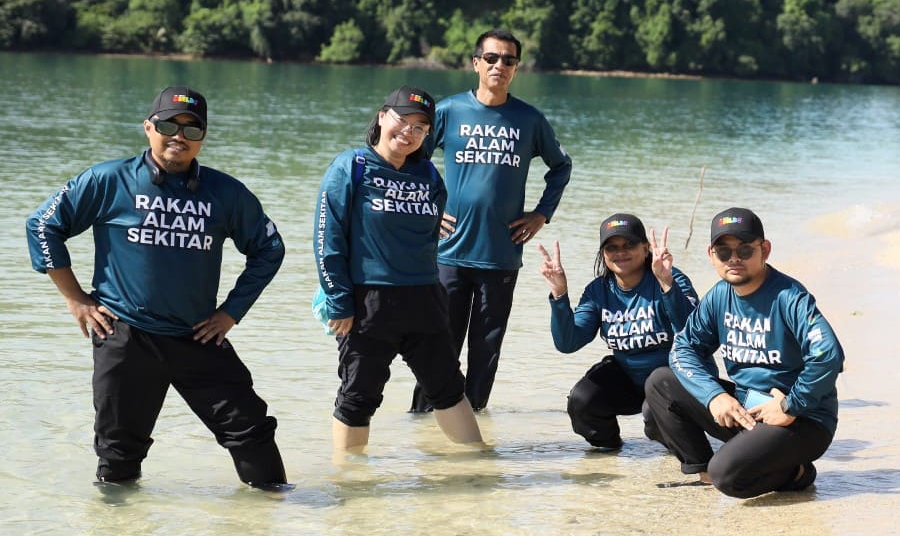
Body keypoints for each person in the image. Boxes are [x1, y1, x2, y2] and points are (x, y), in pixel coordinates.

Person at [25, 86, 290, 490]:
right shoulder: (107, 180)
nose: (178, 137)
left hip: (197, 336)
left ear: (203, 137)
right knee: (118, 457)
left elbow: (269, 248)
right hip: (126, 337)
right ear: (149, 127)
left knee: (251, 432)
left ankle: (276, 525)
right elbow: (43, 225)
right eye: (168, 125)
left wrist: (231, 312)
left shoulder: (226, 193)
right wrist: (76, 299)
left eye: (191, 129)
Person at [409, 28, 572, 414]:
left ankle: (473, 421)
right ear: (476, 63)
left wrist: (541, 213)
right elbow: (412, 163)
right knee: (438, 345)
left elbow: (561, 166)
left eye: (509, 60)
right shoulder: (449, 111)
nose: (500, 65)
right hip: (448, 252)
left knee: (486, 348)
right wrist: (428, 211)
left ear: (516, 68)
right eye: (493, 58)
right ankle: (421, 425)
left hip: (500, 254)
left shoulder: (528, 119)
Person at [314, 86, 483, 451]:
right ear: (381, 117)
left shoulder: (428, 175)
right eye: (402, 120)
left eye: (420, 127)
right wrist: (339, 301)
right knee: (359, 396)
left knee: (448, 387)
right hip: (369, 301)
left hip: (425, 297)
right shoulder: (351, 167)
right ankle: (351, 484)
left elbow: (432, 229)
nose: (409, 131)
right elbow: (328, 240)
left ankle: (478, 465)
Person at [644, 208, 843, 497]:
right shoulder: (719, 296)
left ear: (765, 250)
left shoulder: (789, 297)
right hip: (747, 408)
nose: (734, 259)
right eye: (724, 252)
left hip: (802, 419)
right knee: (660, 384)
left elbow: (828, 354)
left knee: (728, 476)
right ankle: (704, 475)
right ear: (711, 254)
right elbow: (683, 349)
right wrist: (715, 396)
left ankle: (797, 474)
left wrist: (792, 405)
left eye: (745, 250)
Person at [538, 214, 699, 449]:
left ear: (646, 249)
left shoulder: (670, 278)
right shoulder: (598, 291)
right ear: (603, 254)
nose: (620, 252)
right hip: (630, 381)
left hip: (676, 380)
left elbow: (692, 332)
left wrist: (666, 284)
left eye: (629, 245)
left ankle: (686, 448)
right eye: (611, 247)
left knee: (656, 415)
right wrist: (560, 296)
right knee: (582, 400)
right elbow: (568, 343)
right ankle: (611, 451)